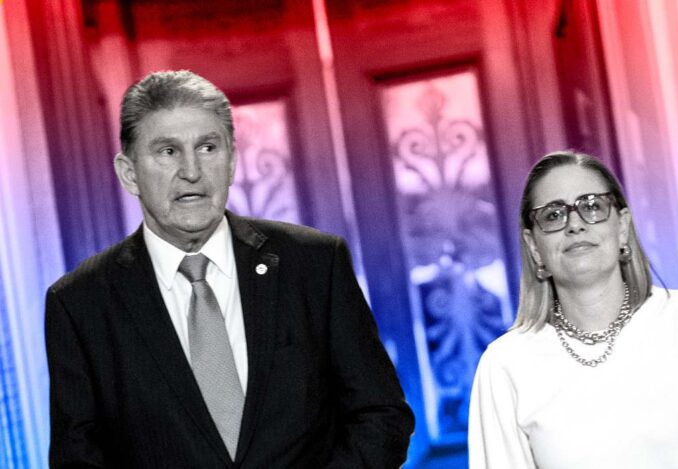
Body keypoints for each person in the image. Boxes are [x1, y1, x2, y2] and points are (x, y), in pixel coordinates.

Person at [45, 70, 414, 468]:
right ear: (129, 173)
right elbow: (78, 460)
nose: (191, 171)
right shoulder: (80, 305)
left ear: (232, 160)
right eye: (168, 151)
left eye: (207, 147)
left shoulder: (314, 264)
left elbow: (381, 416)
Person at [468, 151, 678, 468]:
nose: (575, 224)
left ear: (623, 227)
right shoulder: (505, 366)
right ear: (534, 247)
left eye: (592, 206)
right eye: (553, 215)